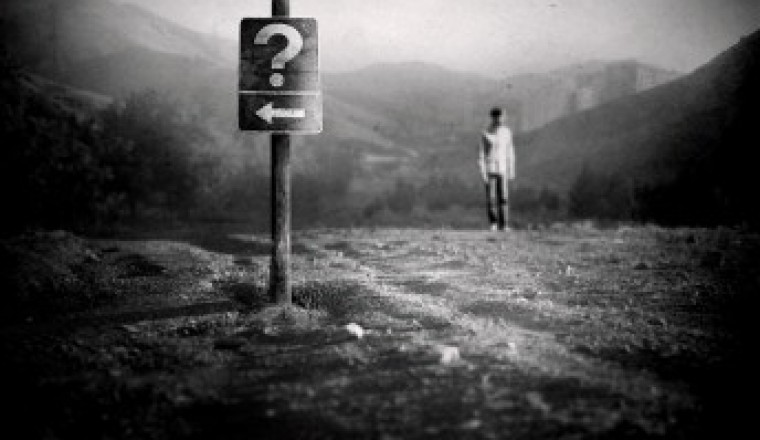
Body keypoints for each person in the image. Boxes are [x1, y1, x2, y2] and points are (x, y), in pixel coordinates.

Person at [478, 107, 515, 231]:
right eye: (500, 117)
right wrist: (483, 172)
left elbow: (510, 152)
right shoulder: (486, 133)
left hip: (503, 169)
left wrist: (511, 169)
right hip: (490, 169)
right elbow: (481, 154)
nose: (502, 119)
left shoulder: (507, 132)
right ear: (494, 118)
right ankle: (493, 223)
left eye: (503, 117)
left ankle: (504, 224)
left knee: (504, 197)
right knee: (491, 197)